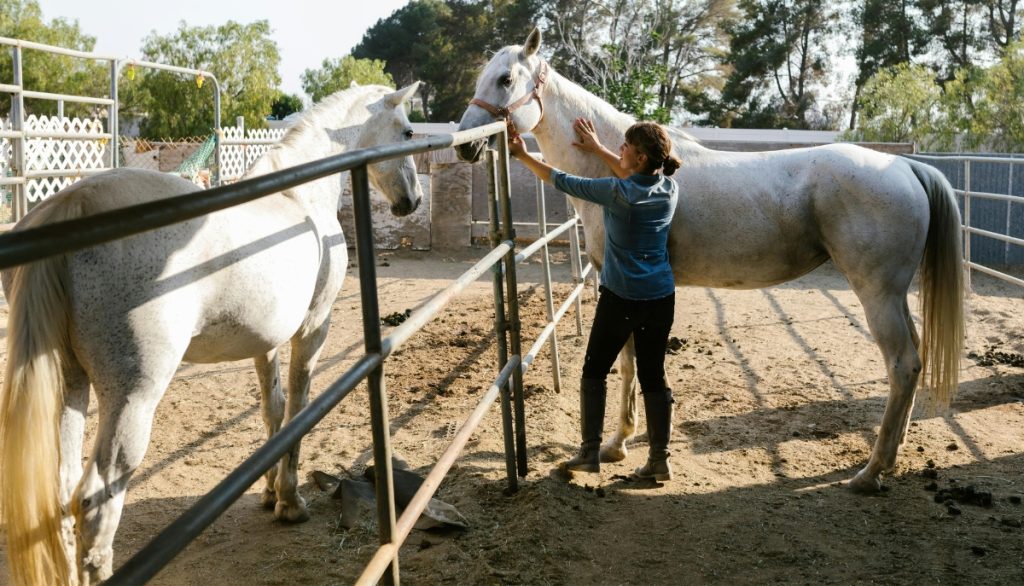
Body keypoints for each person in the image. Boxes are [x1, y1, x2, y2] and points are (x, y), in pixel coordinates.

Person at [508, 118, 681, 481]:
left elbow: (559, 179)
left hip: (621, 298)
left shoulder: (615, 193)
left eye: (625, 147)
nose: (620, 150)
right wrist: (599, 147)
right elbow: (630, 171)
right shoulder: (668, 188)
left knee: (594, 370)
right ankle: (659, 460)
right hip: (661, 297)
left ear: (640, 157)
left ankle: (589, 452)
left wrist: (523, 155)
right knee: (654, 375)